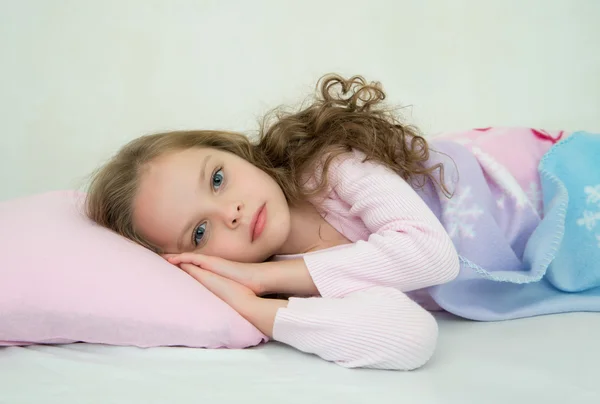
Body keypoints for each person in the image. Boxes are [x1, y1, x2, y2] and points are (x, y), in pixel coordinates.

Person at [85, 74, 600, 371]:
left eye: (217, 179)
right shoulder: (300, 281)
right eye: (201, 232)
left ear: (232, 151)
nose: (231, 212)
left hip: (544, 181)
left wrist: (265, 279)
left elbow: (431, 254)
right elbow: (410, 338)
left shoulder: (327, 166)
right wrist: (254, 307)